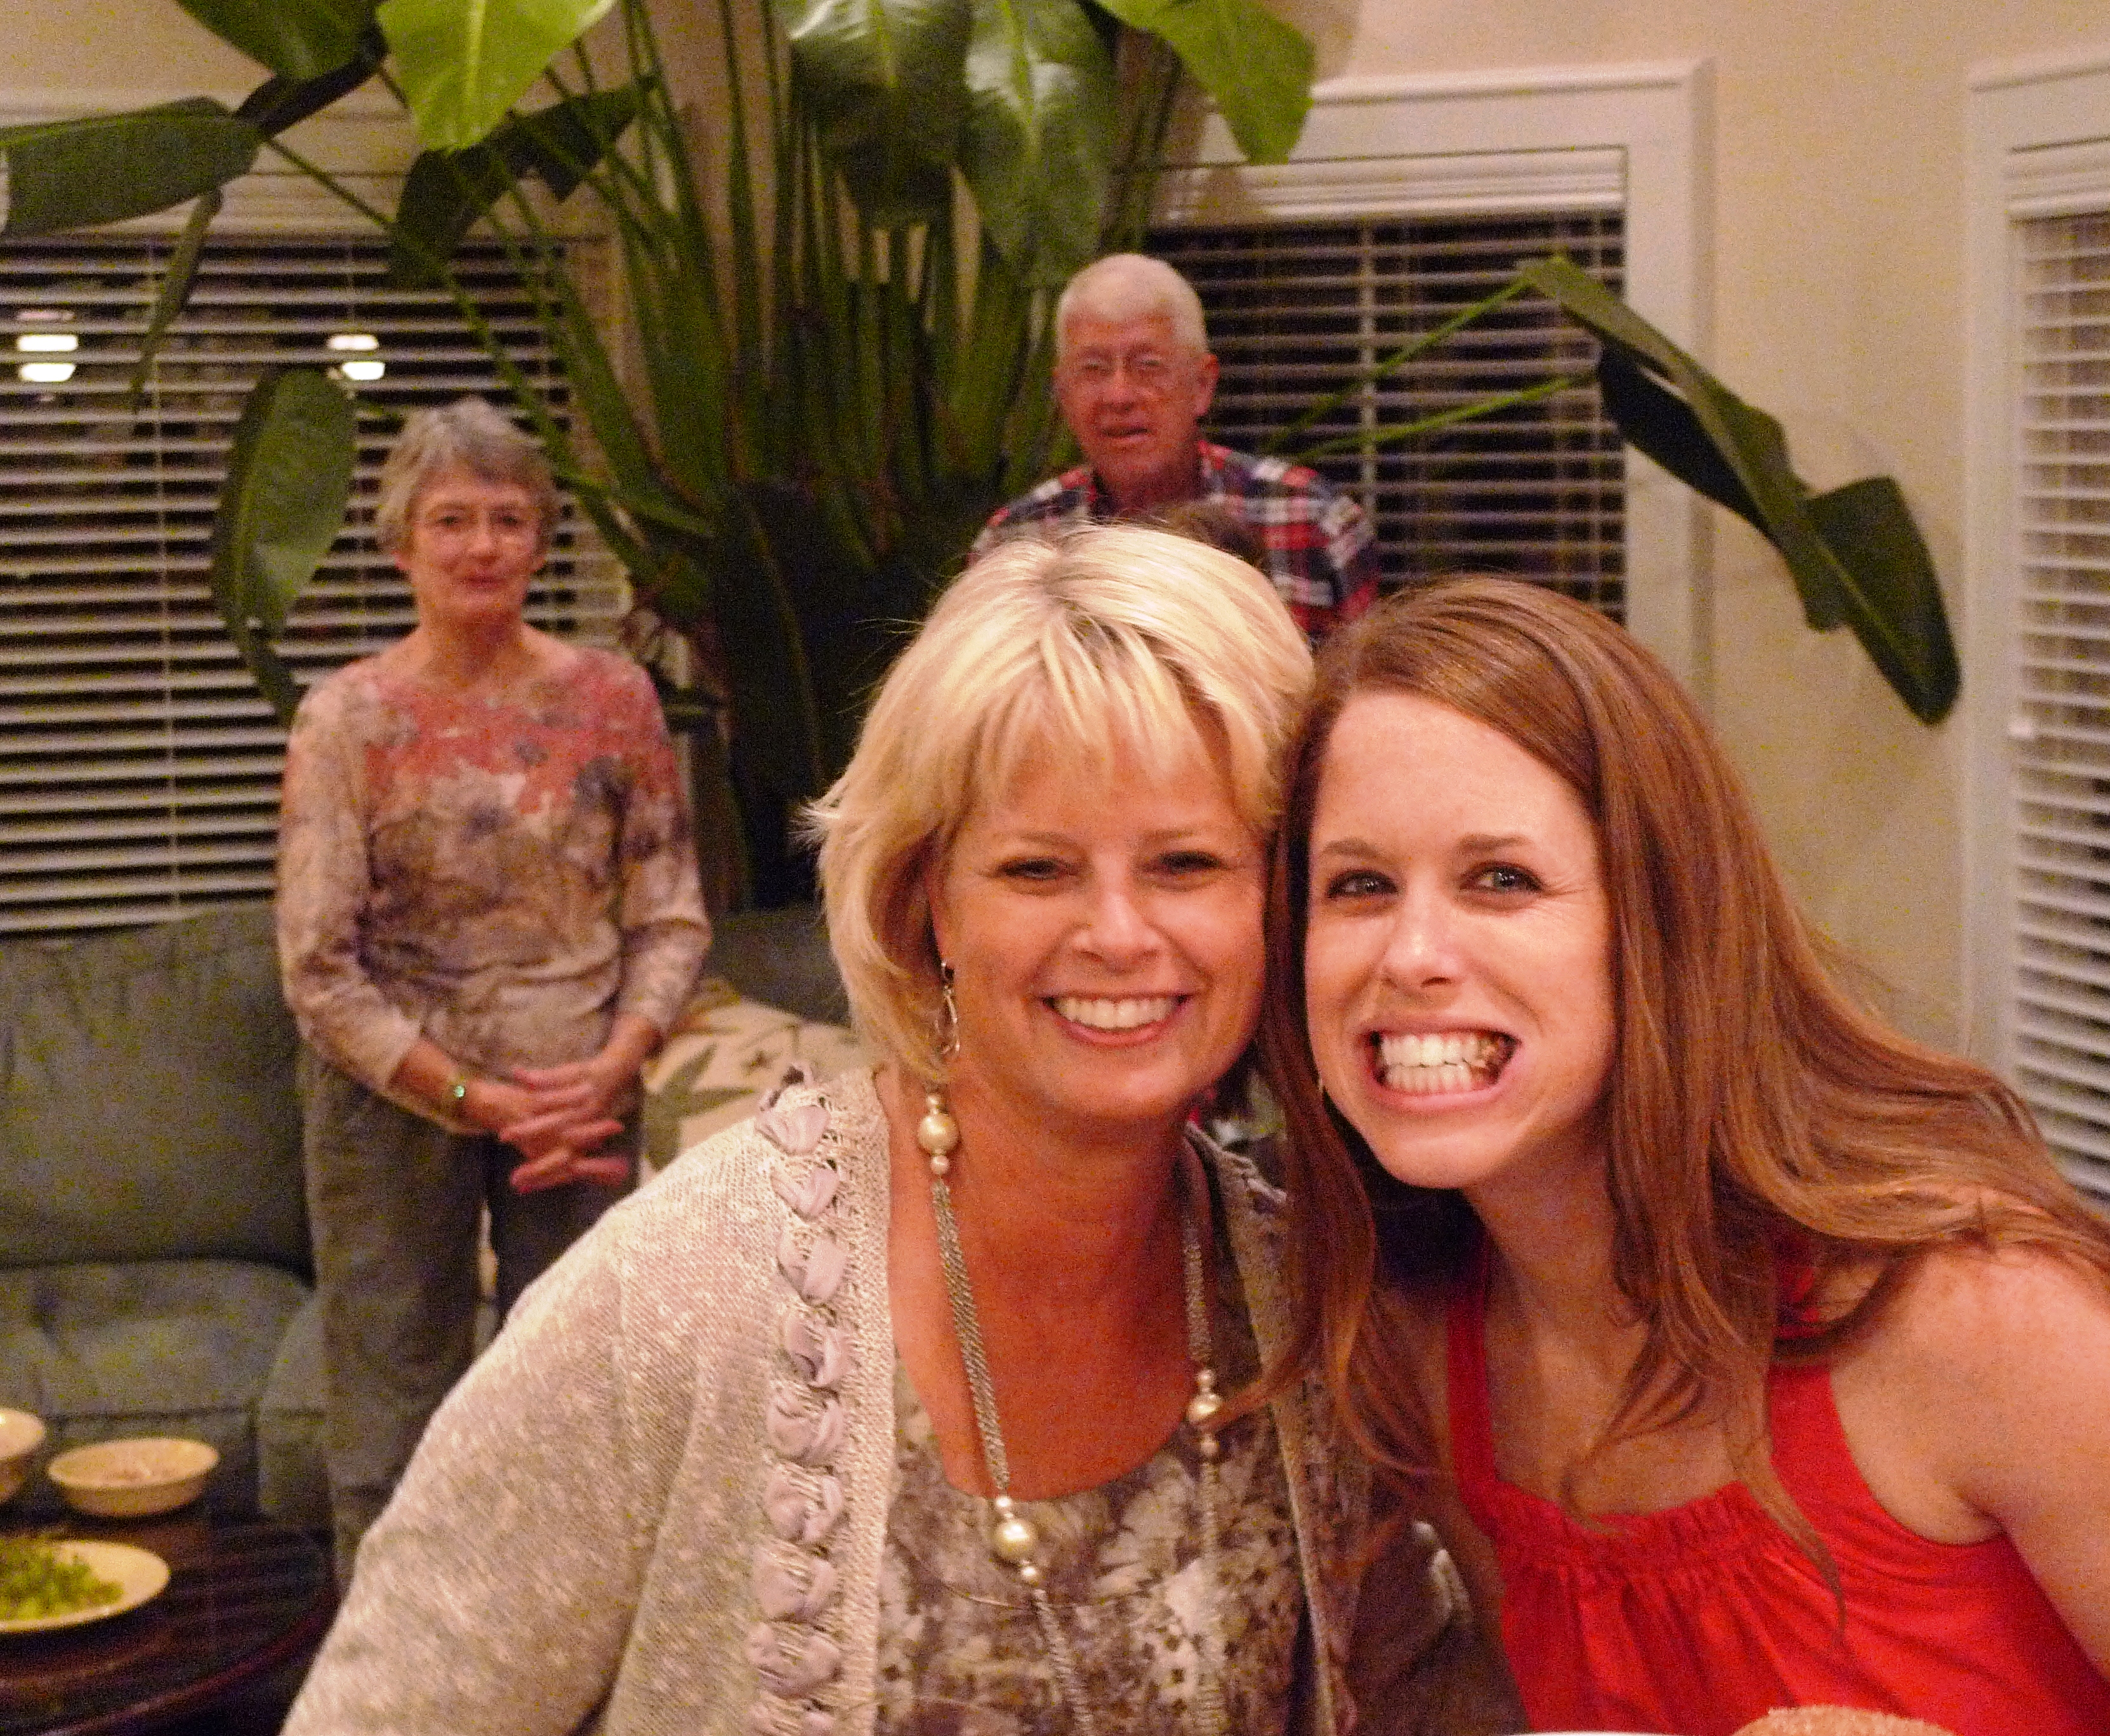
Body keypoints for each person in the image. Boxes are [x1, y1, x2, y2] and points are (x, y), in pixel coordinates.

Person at [281, 526, 1520, 1736]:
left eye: (1186, 864)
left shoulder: (1314, 1306)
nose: (1117, 934)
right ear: (925, 900)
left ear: (1278, 899)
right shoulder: (684, 1294)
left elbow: (1424, 1697)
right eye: (1036, 870)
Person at [1258, 575, 2110, 1736]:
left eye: (1500, 880)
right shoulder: (1416, 1346)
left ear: (1662, 923)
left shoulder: (1983, 1315)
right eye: (1358, 886)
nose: (1409, 954)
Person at [275, 396, 709, 1581]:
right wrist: (472, 1097)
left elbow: (669, 912)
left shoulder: (614, 698)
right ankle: (388, 1665)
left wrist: (611, 1068)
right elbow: (317, 967)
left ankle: (566, 1655)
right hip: (390, 1101)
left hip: (579, 1097)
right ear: (400, 544)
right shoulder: (347, 718)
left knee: (585, 1402)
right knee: (391, 1415)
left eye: (508, 519)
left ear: (540, 539)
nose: (481, 546)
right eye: (451, 520)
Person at [973, 253, 1380, 640]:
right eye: (1093, 369)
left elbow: (1362, 683)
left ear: (1202, 385)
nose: (1119, 396)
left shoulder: (1314, 520)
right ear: (1063, 395)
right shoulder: (1012, 545)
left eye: (1148, 366)